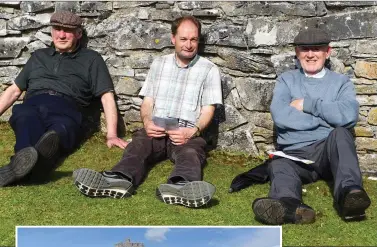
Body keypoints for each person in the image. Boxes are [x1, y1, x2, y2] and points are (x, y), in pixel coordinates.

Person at [73, 15, 223, 208]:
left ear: (198, 41)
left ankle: (182, 187)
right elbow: (148, 101)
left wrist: (193, 131)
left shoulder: (209, 70)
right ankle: (118, 180)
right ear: (173, 39)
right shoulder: (159, 64)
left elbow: (208, 109)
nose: (188, 44)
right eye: (183, 39)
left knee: (191, 153)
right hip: (157, 127)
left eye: (193, 39)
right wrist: (147, 123)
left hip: (187, 131)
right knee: (138, 145)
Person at [252, 28, 371, 224]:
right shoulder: (286, 80)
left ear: (328, 52)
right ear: (297, 53)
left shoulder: (341, 82)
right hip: (294, 153)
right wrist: (327, 118)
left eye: (316, 49)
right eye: (304, 49)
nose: (310, 54)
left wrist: (307, 105)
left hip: (327, 150)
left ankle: (349, 195)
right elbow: (280, 115)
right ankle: (290, 206)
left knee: (341, 134)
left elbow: (349, 116)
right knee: (279, 165)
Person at [0, 11, 127, 187]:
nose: (61, 35)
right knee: (24, 117)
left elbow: (106, 96)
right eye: (57, 29)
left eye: (67, 30)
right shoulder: (39, 56)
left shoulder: (91, 59)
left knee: (60, 130)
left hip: (67, 107)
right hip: (34, 103)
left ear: (78, 34)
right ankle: (31, 164)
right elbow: (14, 91)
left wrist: (112, 134)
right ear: (51, 32)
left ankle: (23, 165)